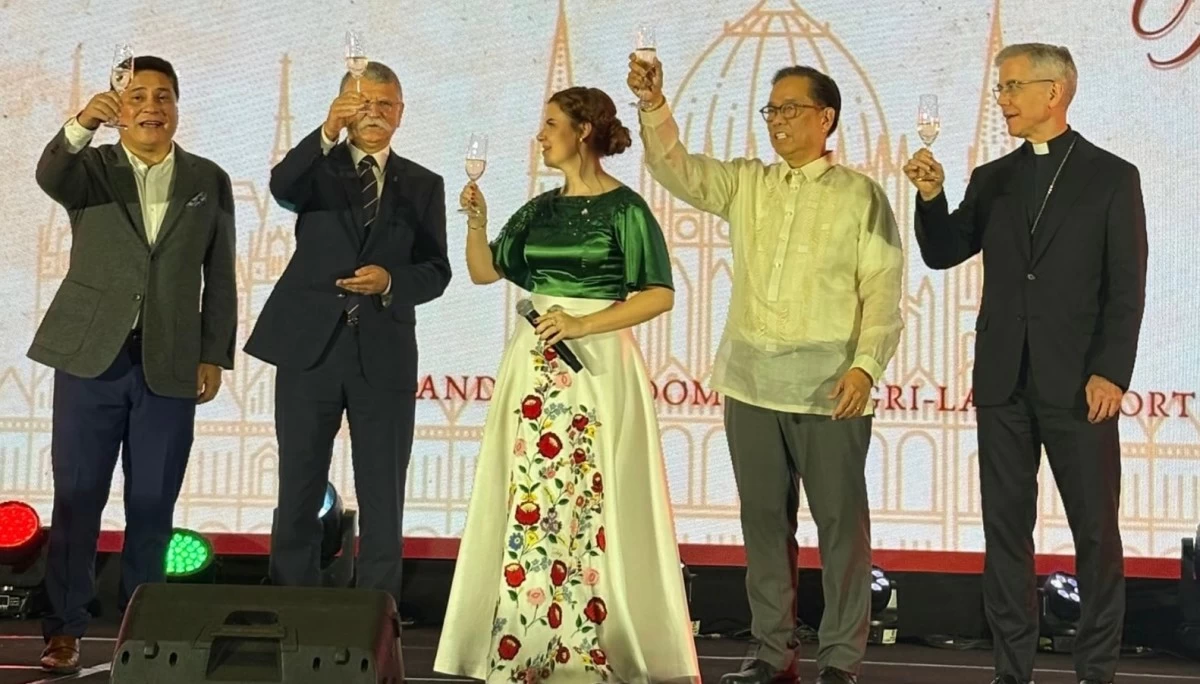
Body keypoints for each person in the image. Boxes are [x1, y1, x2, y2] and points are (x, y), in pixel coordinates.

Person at [631, 56, 904, 684]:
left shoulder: (861, 195)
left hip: (831, 385)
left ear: (825, 117)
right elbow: (678, 169)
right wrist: (653, 107)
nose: (777, 121)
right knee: (763, 524)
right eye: (771, 110)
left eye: (790, 109)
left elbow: (884, 289)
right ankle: (771, 654)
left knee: (840, 529)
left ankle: (839, 660)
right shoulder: (749, 183)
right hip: (751, 383)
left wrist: (865, 367)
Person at [433, 86, 700, 684]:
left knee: (593, 497)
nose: (540, 134)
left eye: (550, 123)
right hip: (534, 364)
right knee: (531, 494)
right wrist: (476, 222)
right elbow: (484, 272)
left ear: (583, 131)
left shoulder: (626, 209)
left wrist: (582, 322)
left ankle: (591, 639)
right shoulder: (538, 209)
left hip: (598, 364)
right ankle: (530, 639)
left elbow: (658, 293)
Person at [903, 43, 1146, 684]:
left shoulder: (1112, 176)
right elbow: (945, 252)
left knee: (1096, 534)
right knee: (1005, 532)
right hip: (1003, 382)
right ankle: (1012, 669)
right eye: (1000, 88)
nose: (1002, 100)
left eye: (1011, 88)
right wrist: (932, 197)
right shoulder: (993, 177)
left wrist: (1112, 371)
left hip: (1080, 385)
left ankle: (1095, 668)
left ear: (1053, 92)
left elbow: (1127, 287)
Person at [31, 56, 237, 674]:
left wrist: (212, 352)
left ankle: (143, 633)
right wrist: (79, 124)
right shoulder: (90, 167)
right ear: (121, 108)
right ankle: (64, 629)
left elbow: (219, 275)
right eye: (139, 95)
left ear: (177, 106)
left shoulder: (208, 178)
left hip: (169, 362)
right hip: (90, 356)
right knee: (78, 496)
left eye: (164, 95)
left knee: (153, 502)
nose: (152, 106)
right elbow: (50, 173)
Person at [244, 62, 449, 609]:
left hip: (383, 353)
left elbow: (437, 270)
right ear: (343, 109)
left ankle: (378, 617)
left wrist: (391, 281)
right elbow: (281, 185)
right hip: (310, 349)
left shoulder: (425, 184)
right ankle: (290, 611)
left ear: (401, 114)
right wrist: (325, 132)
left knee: (384, 493)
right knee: (299, 486)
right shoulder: (318, 169)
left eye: (386, 105)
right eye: (363, 104)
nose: (374, 114)